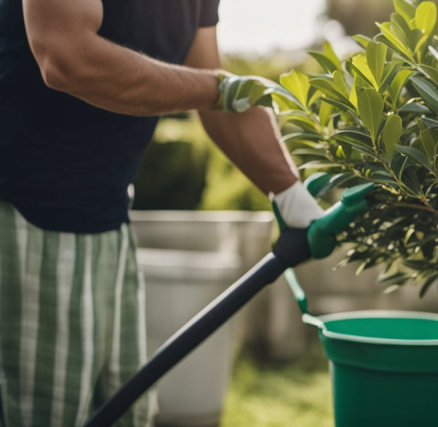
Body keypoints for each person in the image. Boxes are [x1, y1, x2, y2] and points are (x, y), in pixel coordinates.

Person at [0, 0, 324, 425]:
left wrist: (296, 200)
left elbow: (217, 96)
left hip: (109, 221)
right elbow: (65, 56)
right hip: (21, 220)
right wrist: (219, 88)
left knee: (128, 413)